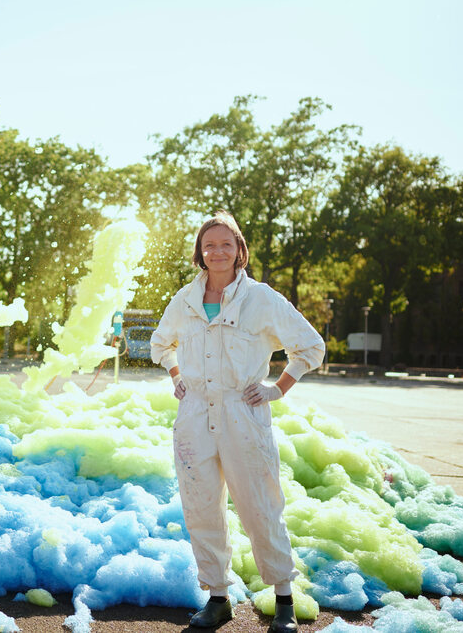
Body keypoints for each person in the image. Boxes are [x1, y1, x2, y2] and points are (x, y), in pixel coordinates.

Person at [150, 211, 324, 632]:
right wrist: (178, 378)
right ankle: (217, 599)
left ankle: (284, 600)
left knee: (260, 505)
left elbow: (310, 348)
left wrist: (277, 388)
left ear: (240, 249)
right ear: (200, 253)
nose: (218, 252)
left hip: (243, 414)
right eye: (209, 245)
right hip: (194, 417)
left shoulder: (262, 298)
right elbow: (160, 345)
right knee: (201, 508)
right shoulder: (185, 300)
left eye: (226, 244)